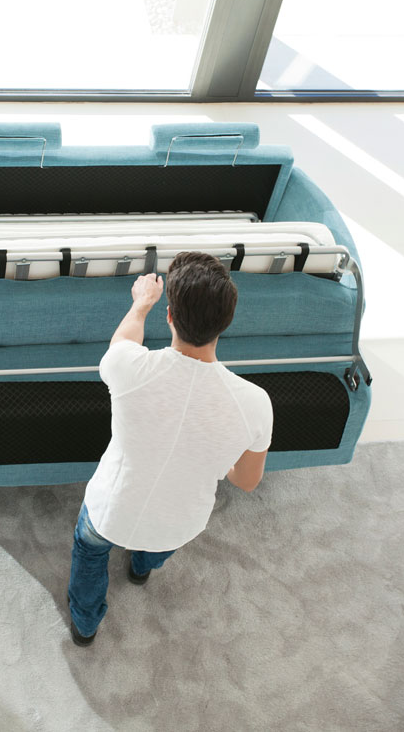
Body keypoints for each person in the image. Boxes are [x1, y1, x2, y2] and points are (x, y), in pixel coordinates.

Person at [67, 251, 274, 646]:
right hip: (179, 522)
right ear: (225, 324)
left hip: (111, 509)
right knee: (157, 544)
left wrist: (140, 303)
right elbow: (247, 481)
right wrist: (215, 456)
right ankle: (142, 568)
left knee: (90, 551)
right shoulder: (255, 404)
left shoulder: (131, 369)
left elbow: (121, 343)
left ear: (170, 317)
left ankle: (85, 624)